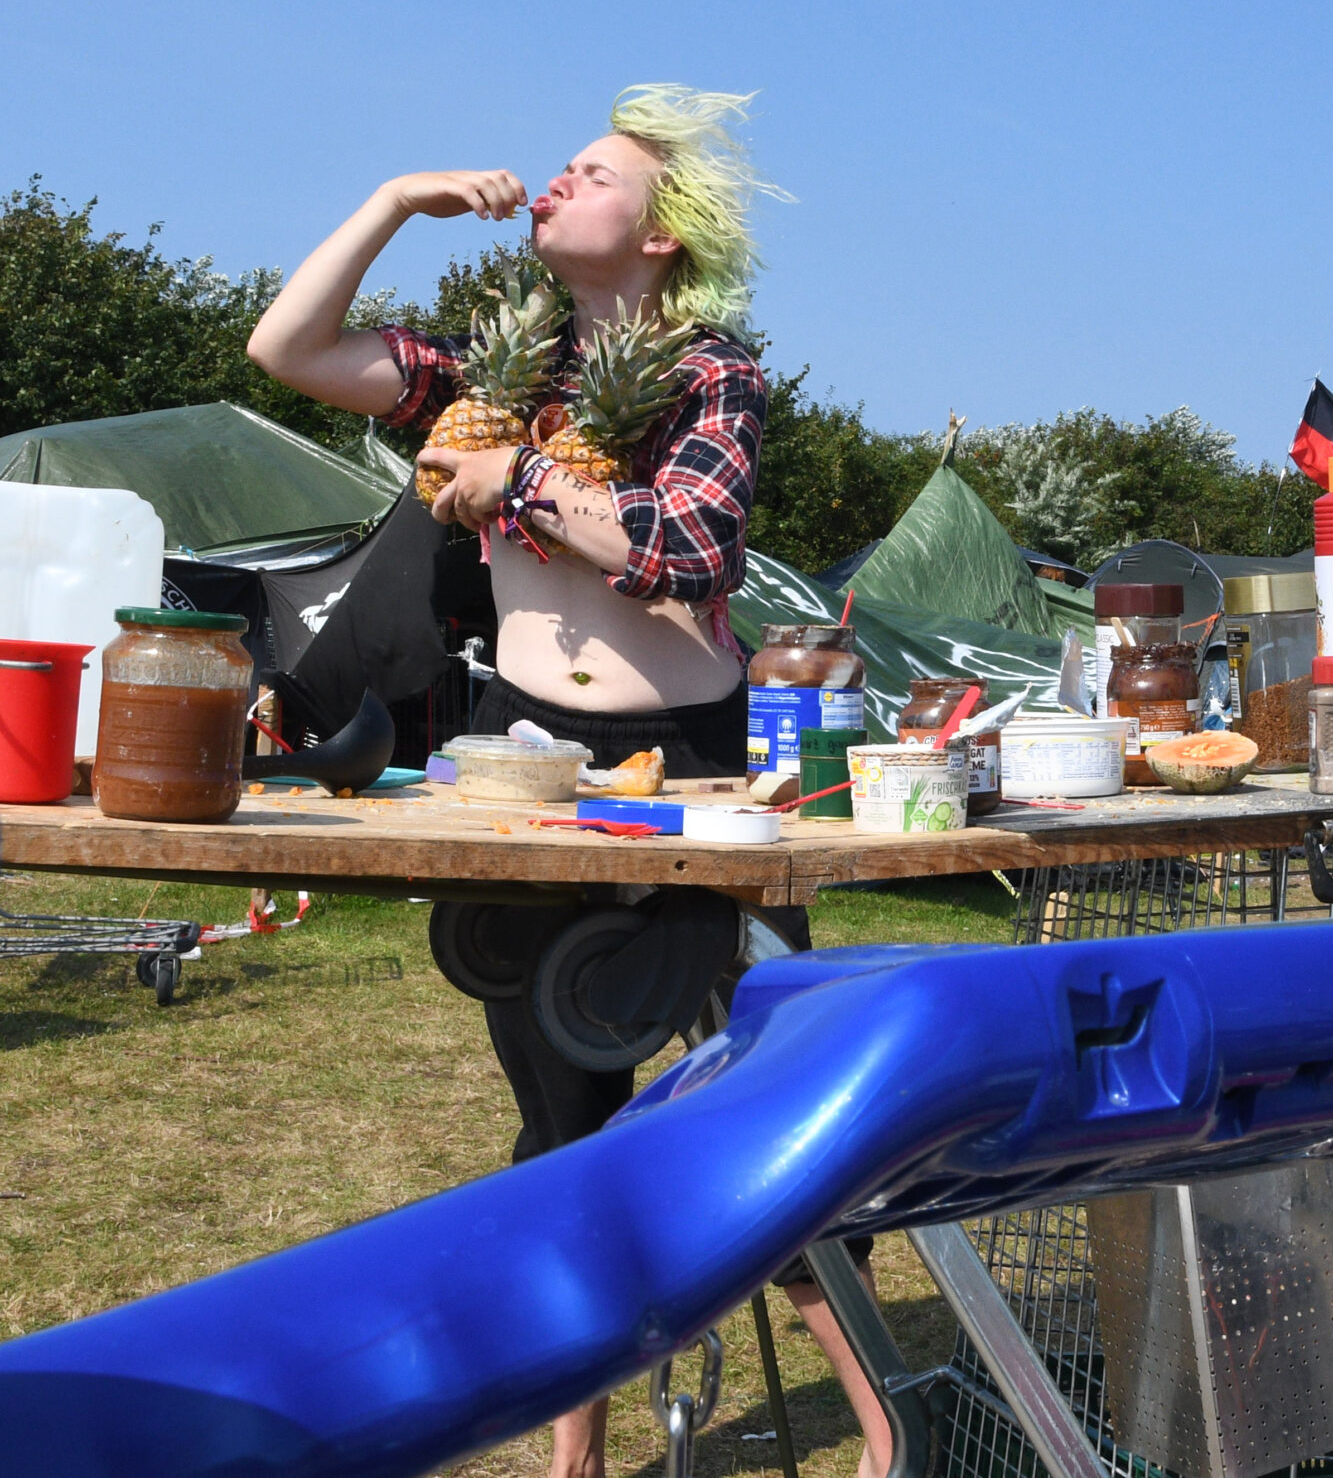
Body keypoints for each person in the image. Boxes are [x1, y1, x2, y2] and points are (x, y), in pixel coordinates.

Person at [247, 86, 892, 1478]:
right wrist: (394, 201)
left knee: (773, 1102)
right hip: (530, 753)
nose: (553, 184)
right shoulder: (505, 368)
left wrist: (517, 479)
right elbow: (284, 345)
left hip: (696, 767)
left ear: (657, 238)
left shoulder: (715, 369)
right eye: (558, 168)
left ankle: (894, 1421)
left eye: (590, 174)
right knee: (561, 1122)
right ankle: (575, 1459)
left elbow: (690, 547)